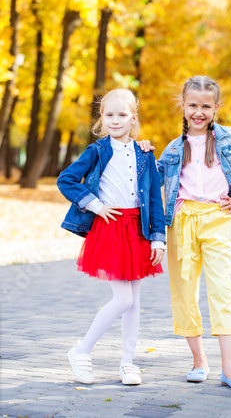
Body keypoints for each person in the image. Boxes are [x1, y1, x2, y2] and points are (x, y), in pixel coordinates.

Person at [140, 75, 231, 390]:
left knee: (221, 290)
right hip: (181, 223)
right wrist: (143, 152)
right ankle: (199, 361)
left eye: (205, 106)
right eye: (192, 105)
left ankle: (230, 369)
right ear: (183, 106)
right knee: (184, 293)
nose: (198, 112)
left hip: (217, 218)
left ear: (216, 107)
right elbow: (150, 179)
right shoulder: (175, 148)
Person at [57, 89, 166, 386]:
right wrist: (95, 204)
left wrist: (158, 238)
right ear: (101, 120)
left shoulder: (144, 152)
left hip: (138, 230)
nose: (115, 120)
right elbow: (65, 179)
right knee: (123, 298)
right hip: (111, 227)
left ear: (133, 118)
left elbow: (154, 198)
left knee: (134, 301)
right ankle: (81, 351)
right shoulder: (96, 151)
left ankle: (128, 363)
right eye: (109, 115)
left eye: (122, 115)